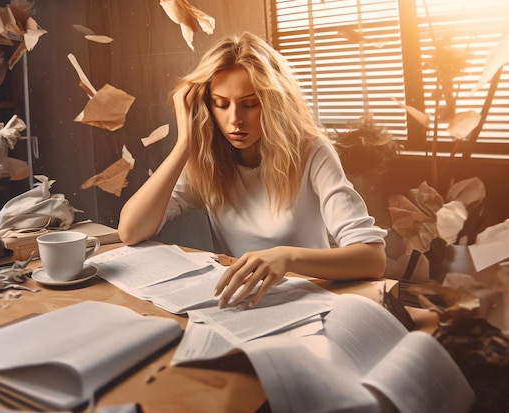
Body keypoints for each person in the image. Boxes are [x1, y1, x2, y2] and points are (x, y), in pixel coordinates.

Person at [118, 32, 387, 309]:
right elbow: (131, 231)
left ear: (272, 103)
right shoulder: (207, 159)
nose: (235, 119)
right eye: (221, 104)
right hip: (242, 305)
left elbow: (372, 258)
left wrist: (286, 258)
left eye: (250, 104)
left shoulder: (311, 151)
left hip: (310, 302)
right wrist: (185, 143)